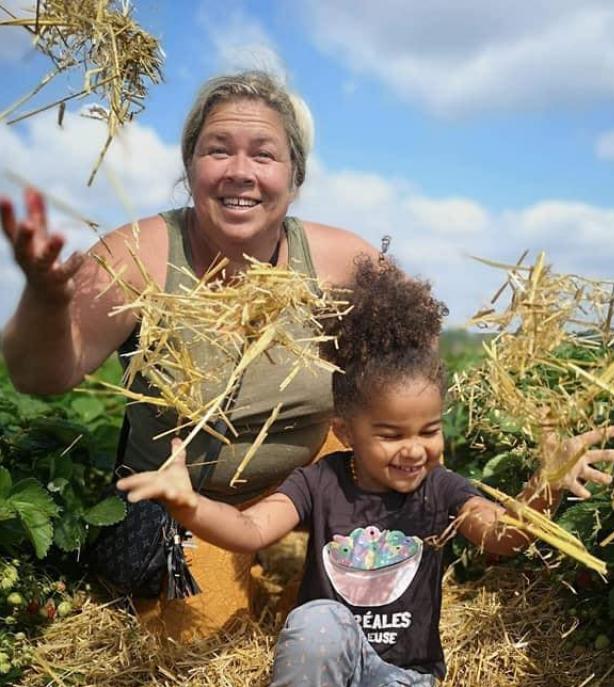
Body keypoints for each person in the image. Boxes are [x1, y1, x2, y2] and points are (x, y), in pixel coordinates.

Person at [115, 256, 614, 687]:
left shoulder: (442, 490)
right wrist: (189, 504)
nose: (413, 449)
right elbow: (249, 530)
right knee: (317, 620)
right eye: (389, 435)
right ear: (345, 432)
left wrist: (544, 488)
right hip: (324, 667)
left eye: (428, 431)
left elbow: (500, 536)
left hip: (404, 678)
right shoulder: (319, 481)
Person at [0, 70, 379, 631]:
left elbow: (407, 374)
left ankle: (301, 555)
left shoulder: (342, 261)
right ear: (190, 167)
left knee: (374, 597)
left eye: (264, 155)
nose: (240, 173)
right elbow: (41, 376)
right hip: (187, 500)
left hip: (308, 474)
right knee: (197, 646)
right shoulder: (140, 255)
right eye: (217, 150)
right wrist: (45, 300)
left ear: (294, 177)